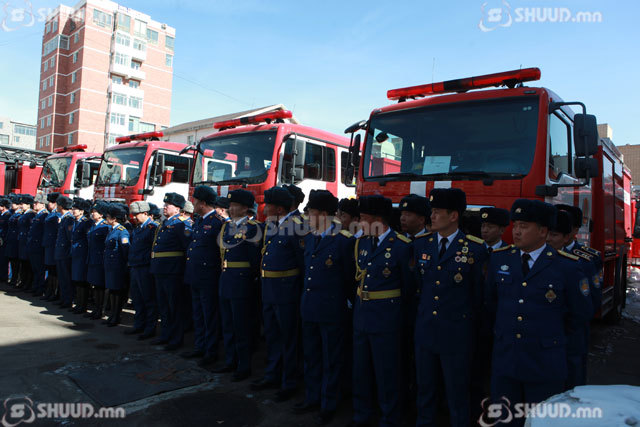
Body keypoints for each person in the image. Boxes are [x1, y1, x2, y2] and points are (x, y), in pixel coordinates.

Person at [485, 199, 593, 424]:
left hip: (544, 365)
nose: (516, 231)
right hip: (506, 361)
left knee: (541, 421)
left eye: (524, 226)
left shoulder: (567, 267)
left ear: (543, 231)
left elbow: (579, 315)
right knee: (504, 420)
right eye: (515, 225)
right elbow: (490, 304)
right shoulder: (500, 259)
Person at [413, 188, 488, 427]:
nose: (432, 216)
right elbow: (417, 286)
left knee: (457, 393)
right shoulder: (421, 244)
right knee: (425, 390)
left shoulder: (475, 249)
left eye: (437, 212)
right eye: (431, 211)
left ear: (454, 216)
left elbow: (479, 296)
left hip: (456, 334)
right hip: (426, 331)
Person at [350, 195, 414, 427]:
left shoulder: (402, 246)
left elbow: (409, 289)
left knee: (387, 373)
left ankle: (389, 418)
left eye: (363, 217)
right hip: (362, 317)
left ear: (378, 219)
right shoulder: (362, 243)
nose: (359, 222)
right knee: (361, 371)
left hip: (387, 320)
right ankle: (362, 415)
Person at [292, 190, 355, 425]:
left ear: (324, 214)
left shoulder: (344, 241)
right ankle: (312, 396)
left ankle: (329, 402)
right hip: (310, 307)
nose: (307, 216)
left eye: (311, 212)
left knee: (331, 359)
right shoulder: (309, 238)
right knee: (311, 356)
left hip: (332, 310)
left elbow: (349, 279)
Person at [251, 186, 305, 402]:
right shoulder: (273, 225)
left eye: (269, 205)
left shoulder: (296, 226)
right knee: (273, 336)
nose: (265, 209)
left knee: (288, 338)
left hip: (286, 291)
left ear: (280, 209)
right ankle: (272, 374)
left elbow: (302, 264)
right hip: (270, 289)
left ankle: (289, 381)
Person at [547, 208, 599, 389]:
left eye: (554, 234)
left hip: (572, 334)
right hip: (547, 337)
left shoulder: (585, 260)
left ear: (570, 233)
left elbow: (590, 303)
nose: (549, 239)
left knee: (573, 378)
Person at [216, 189, 261, 381]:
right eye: (230, 205)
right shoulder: (226, 227)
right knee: (228, 325)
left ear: (244, 208)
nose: (230, 208)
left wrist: (249, 281)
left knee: (241, 326)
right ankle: (230, 360)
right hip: (226, 280)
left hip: (242, 283)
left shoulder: (252, 228)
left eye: (234, 205)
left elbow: (254, 260)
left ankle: (243, 365)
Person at [182, 186, 224, 366]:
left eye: (195, 200)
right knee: (198, 314)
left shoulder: (218, 222)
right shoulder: (199, 221)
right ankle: (200, 346)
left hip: (209, 277)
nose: (193, 203)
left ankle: (211, 351)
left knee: (209, 316)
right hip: (196, 275)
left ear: (203, 203)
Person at [150, 193, 192, 351]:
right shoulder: (164, 223)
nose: (165, 207)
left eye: (168, 205)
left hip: (173, 271)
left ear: (178, 209)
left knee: (175, 306)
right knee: (164, 306)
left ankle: (176, 338)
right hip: (160, 270)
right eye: (165, 204)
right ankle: (165, 335)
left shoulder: (182, 224)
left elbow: (188, 248)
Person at [127, 201, 159, 339]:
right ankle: (139, 325)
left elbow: (154, 249)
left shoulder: (153, 228)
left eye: (136, 214)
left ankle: (150, 328)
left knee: (148, 299)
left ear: (145, 213)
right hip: (135, 266)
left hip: (145, 267)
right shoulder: (138, 228)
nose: (134, 217)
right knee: (137, 298)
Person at [103, 204, 130, 327]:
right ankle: (112, 315)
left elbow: (125, 249)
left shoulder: (122, 231)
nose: (106, 218)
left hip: (117, 266)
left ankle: (116, 316)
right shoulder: (111, 230)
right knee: (112, 290)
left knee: (117, 291)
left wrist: (122, 264)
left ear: (114, 219)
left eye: (108, 216)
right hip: (110, 265)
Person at [86, 201, 111, 320]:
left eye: (95, 212)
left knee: (101, 286)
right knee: (95, 285)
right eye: (92, 211)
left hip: (100, 260)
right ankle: (96, 309)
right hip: (92, 259)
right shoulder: (93, 225)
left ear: (101, 214)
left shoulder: (105, 226)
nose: (92, 214)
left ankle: (101, 310)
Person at [70, 199, 92, 314]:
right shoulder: (75, 221)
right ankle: (78, 303)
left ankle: (82, 305)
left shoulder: (85, 222)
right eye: (73, 209)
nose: (73, 211)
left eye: (76, 209)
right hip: (75, 254)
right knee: (77, 280)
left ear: (82, 211)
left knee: (81, 280)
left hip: (82, 254)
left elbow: (88, 239)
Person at [54, 196, 75, 308]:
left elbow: (70, 238)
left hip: (65, 253)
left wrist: (68, 253)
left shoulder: (69, 219)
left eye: (57, 205)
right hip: (60, 252)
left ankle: (68, 300)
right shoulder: (64, 218)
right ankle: (63, 298)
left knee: (66, 277)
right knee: (62, 277)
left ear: (61, 206)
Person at [27, 194, 49, 297]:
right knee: (35, 268)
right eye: (34, 203)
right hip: (33, 245)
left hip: (39, 246)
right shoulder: (37, 215)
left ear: (43, 204)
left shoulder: (44, 215)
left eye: (37, 203)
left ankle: (40, 288)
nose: (34, 204)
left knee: (39, 269)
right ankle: (36, 287)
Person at [42, 193, 61, 301]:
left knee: (54, 271)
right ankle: (49, 291)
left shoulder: (57, 215)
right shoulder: (51, 214)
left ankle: (54, 292)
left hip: (53, 245)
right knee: (50, 269)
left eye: (50, 202)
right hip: (49, 245)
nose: (48, 204)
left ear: (55, 203)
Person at [17, 194, 36, 291]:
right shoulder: (23, 214)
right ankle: (23, 281)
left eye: (23, 204)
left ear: (28, 204)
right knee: (23, 263)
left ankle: (28, 283)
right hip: (22, 241)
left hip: (27, 242)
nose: (21, 205)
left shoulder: (31, 214)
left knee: (27, 264)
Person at [5, 195, 23, 288]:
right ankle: (13, 278)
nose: (12, 205)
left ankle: (16, 278)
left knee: (16, 262)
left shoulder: (19, 214)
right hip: (11, 239)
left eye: (15, 203)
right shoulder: (13, 213)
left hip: (16, 240)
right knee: (12, 260)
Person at [0, 198, 12, 284]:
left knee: (3, 260)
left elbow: (6, 229)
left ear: (3, 207)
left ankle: (3, 277)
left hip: (4, 240)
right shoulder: (2, 215)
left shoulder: (8, 215)